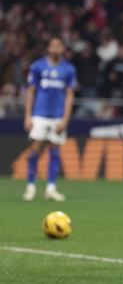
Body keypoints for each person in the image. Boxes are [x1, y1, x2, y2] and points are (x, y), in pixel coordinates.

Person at [22, 36, 77, 201]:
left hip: (57, 117)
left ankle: (51, 189)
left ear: (63, 49)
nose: (55, 48)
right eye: (53, 45)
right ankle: (30, 187)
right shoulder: (37, 66)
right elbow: (30, 91)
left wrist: (65, 119)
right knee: (35, 150)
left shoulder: (68, 69)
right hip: (39, 115)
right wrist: (28, 116)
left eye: (59, 45)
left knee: (55, 152)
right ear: (48, 48)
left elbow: (69, 96)